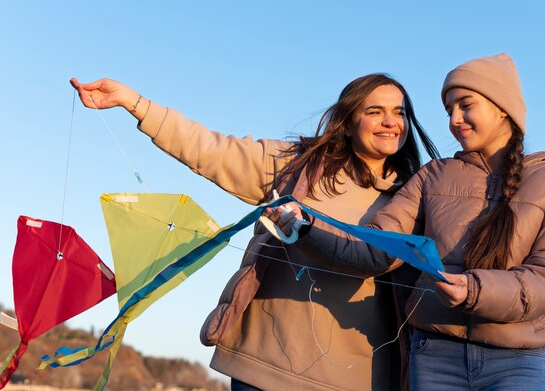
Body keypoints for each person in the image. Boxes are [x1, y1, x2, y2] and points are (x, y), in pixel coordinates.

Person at [70, 74, 439, 391]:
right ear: (348, 119)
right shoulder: (298, 165)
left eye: (399, 112)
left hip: (356, 378)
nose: (391, 122)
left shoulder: (416, 193)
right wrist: (134, 103)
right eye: (375, 111)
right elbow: (211, 149)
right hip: (261, 365)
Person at [271, 53, 545, 390]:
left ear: (502, 107)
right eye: (449, 110)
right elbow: (378, 248)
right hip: (434, 354)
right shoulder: (432, 176)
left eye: (465, 105)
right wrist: (306, 231)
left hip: (517, 361)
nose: (454, 119)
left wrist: (474, 290)